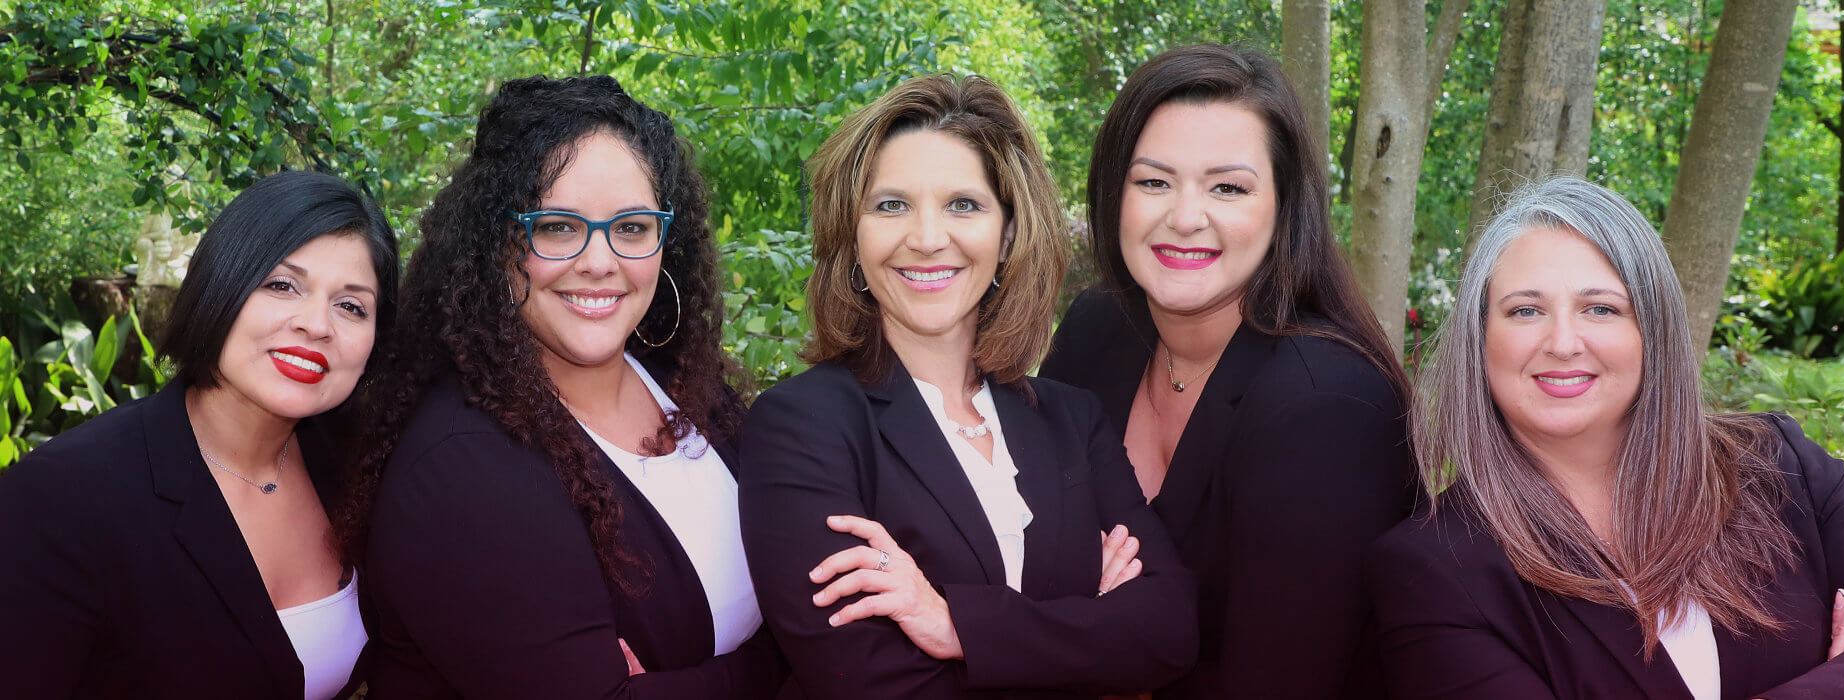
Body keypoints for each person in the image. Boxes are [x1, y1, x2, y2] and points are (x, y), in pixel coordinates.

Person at [1365, 177, 1844, 699]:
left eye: (1600, 308)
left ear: (1652, 331)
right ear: (1480, 337)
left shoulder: (1782, 466)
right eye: (1526, 310)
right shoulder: (1433, 573)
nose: (1562, 341)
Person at [737, 73, 1198, 699]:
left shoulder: (1070, 418)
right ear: (854, 236)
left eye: (963, 204)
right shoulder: (802, 424)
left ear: (1008, 234)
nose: (927, 239)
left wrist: (954, 624)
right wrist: (1089, 638)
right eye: (891, 205)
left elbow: (1168, 630)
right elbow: (865, 682)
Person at [343, 76, 785, 698]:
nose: (600, 261)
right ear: (497, 242)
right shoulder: (462, 464)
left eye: (631, 227)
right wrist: (781, 664)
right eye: (557, 226)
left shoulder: (687, 391)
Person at [1037, 44, 1417, 698]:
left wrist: (1092, 653)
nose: (1184, 217)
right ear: (1112, 192)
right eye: (1153, 181)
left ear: (1284, 210)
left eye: (1228, 188)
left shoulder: (1325, 407)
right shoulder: (1096, 331)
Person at [0, 169, 398, 699]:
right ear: (220, 286)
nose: (316, 323)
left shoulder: (358, 469)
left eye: (351, 305)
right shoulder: (62, 497)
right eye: (282, 284)